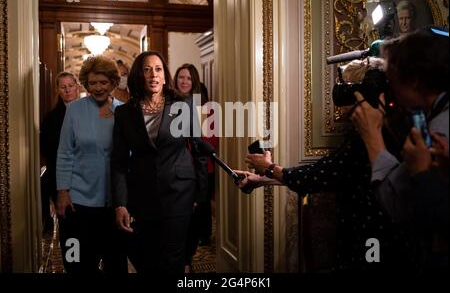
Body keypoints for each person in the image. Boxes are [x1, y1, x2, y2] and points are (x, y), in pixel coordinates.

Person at [237, 58, 417, 272]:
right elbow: (334, 173)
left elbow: (318, 175)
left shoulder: (370, 139)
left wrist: (269, 168)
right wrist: (262, 179)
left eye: (345, 90)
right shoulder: (375, 133)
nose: (339, 99)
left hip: (375, 241)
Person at [351, 26, 449, 271]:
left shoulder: (438, 131)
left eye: (392, 79)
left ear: (414, 81)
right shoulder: (435, 113)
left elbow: (397, 204)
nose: (390, 88)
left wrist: (371, 135)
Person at [111, 51, 208, 274]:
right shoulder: (124, 113)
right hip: (142, 195)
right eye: (147, 70)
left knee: (173, 258)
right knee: (146, 257)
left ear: (164, 76)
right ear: (138, 76)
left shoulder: (183, 106)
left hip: (179, 192)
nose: (153, 74)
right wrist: (120, 203)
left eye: (158, 69)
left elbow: (199, 151)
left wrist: (200, 195)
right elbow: (118, 162)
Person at [56, 55, 127, 274]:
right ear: (86, 83)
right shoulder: (74, 110)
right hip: (80, 201)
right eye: (93, 83)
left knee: (115, 264)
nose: (98, 88)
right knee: (80, 263)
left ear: (113, 83)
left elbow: (130, 156)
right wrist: (62, 191)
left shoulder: (124, 111)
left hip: (113, 202)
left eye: (103, 82)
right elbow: (65, 152)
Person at [174, 63, 218, 273]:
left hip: (198, 170)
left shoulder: (204, 108)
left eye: (188, 78)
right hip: (172, 171)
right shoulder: (168, 104)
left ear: (195, 82)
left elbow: (208, 144)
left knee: (194, 217)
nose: (184, 81)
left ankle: (186, 259)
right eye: (181, 77)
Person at [40, 71, 80, 234]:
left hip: (86, 178)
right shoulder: (51, 117)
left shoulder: (88, 111)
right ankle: (74, 257)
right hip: (61, 178)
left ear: (77, 86)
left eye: (70, 86)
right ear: (58, 90)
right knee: (69, 227)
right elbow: (47, 149)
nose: (68, 90)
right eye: (63, 87)